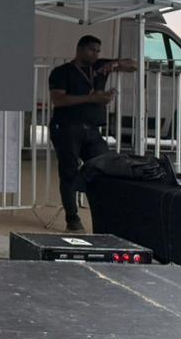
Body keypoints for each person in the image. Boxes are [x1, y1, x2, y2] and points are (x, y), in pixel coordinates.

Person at [48, 36, 136, 232]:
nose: (95, 54)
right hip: (67, 127)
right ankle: (72, 218)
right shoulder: (61, 72)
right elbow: (59, 99)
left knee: (103, 167)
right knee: (69, 172)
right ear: (79, 49)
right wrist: (91, 98)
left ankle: (103, 215)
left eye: (98, 51)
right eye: (91, 50)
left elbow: (133, 65)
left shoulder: (99, 66)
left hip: (92, 128)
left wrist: (114, 63)